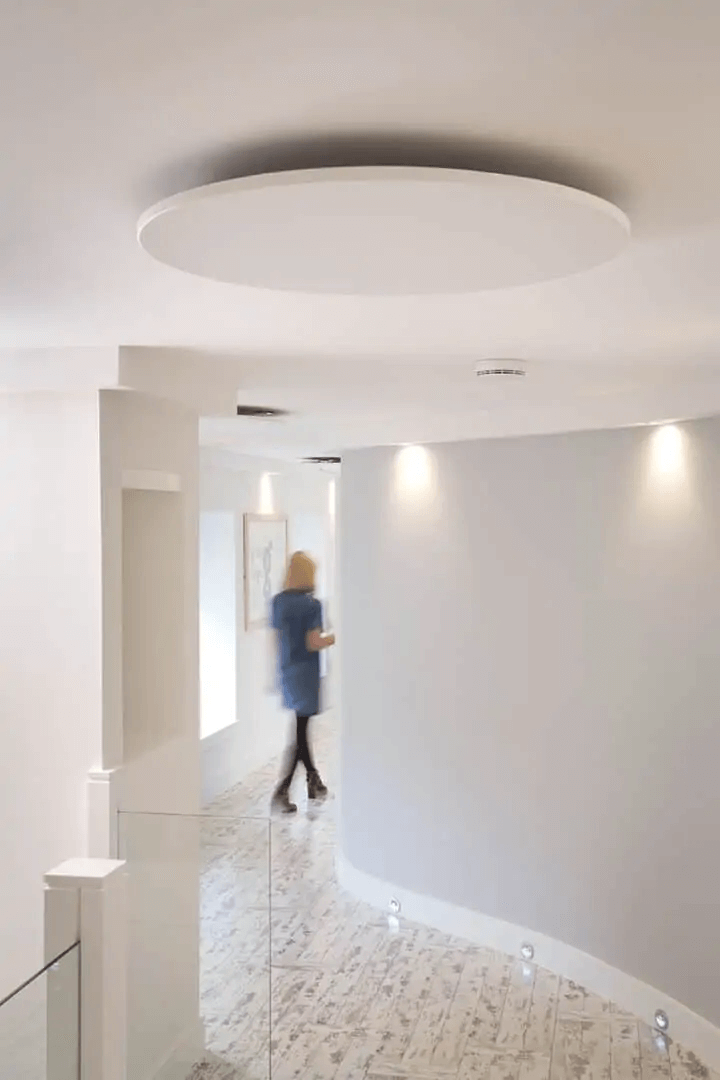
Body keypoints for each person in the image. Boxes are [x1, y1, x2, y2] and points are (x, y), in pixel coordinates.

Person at [271, 551, 335, 814]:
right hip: (306, 675)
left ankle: (314, 782)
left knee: (300, 729)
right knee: (299, 734)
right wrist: (335, 637)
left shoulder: (278, 602)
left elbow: (275, 640)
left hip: (287, 672)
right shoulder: (312, 605)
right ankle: (282, 791)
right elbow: (313, 642)